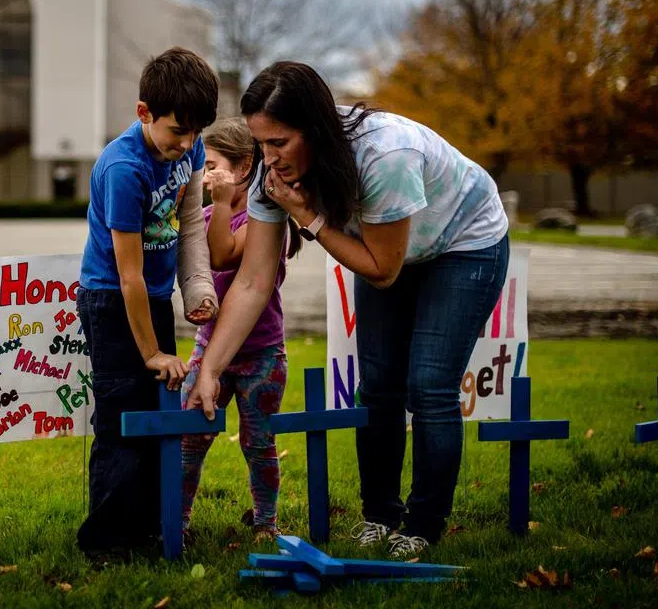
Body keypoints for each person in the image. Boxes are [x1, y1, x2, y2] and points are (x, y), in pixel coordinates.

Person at [188, 62, 509, 558]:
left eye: (279, 143)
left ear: (314, 129)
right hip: (390, 249)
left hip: (463, 244)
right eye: (260, 144)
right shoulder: (271, 176)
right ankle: (380, 515)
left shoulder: (386, 155)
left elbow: (382, 269)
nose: (267, 160)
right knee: (378, 383)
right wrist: (211, 368)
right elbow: (251, 282)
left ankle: (423, 524)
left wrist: (307, 216)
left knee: (428, 385)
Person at [75, 47, 220, 559]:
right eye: (177, 131)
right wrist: (153, 351)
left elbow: (190, 227)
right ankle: (107, 540)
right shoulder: (123, 169)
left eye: (196, 133)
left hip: (153, 299)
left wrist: (196, 288)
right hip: (111, 300)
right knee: (121, 418)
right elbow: (128, 274)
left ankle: (154, 528)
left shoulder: (191, 151)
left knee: (157, 410)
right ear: (144, 114)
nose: (186, 145)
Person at [179, 117, 301, 542]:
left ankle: (266, 523)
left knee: (259, 443)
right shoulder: (208, 213)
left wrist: (225, 203)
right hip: (210, 347)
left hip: (262, 355)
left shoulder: (265, 220)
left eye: (212, 164)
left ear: (245, 165)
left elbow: (222, 255)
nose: (205, 173)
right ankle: (178, 523)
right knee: (188, 440)